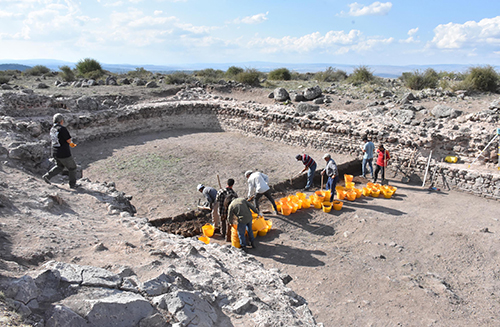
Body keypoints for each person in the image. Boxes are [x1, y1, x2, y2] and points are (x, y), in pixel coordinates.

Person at [42, 113, 79, 189]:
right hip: (64, 153)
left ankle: (47, 176)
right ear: (61, 121)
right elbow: (68, 140)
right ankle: (72, 184)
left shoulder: (52, 129)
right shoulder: (62, 129)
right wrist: (72, 144)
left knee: (59, 166)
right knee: (72, 168)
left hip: (55, 152)